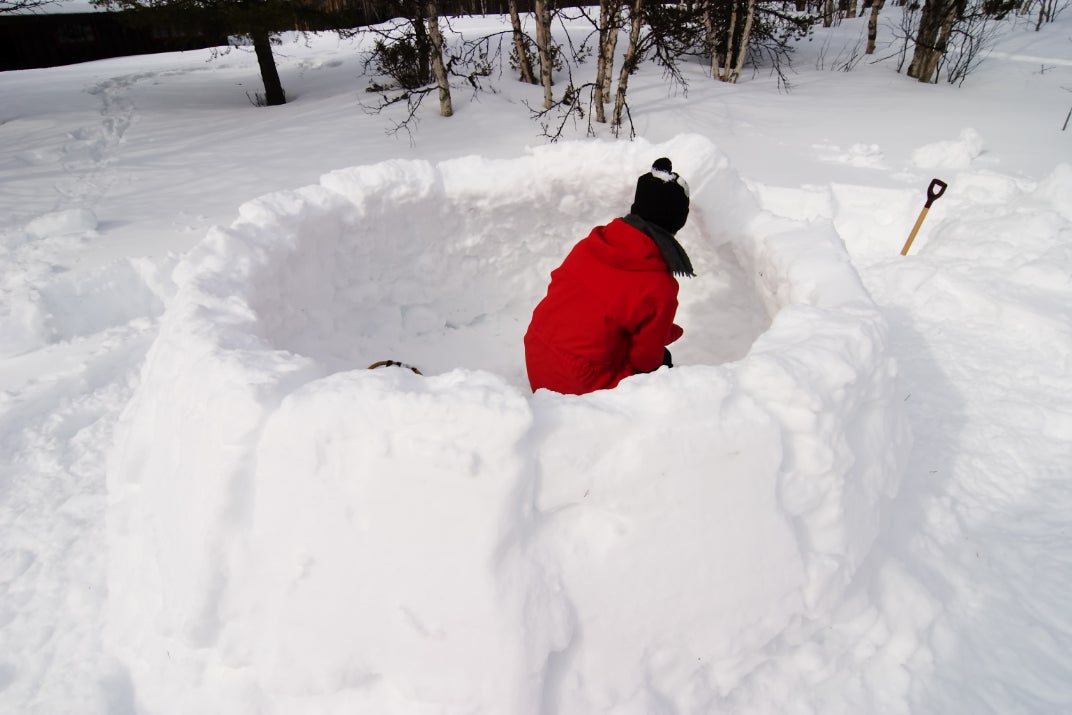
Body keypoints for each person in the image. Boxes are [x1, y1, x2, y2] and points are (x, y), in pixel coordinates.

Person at [524, 157, 695, 395]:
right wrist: (662, 336)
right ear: (677, 221)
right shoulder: (659, 286)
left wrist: (663, 330)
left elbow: (607, 308)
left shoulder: (592, 244)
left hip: (537, 353)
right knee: (661, 363)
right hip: (577, 383)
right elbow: (645, 359)